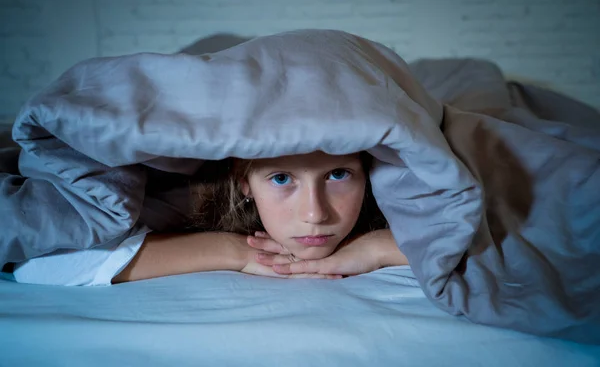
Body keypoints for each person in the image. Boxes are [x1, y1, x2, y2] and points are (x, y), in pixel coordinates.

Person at [12, 151, 408, 286]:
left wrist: (377, 246)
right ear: (244, 180)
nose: (315, 214)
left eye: (338, 175)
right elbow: (41, 265)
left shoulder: (395, 190)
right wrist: (237, 252)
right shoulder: (183, 192)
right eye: (282, 178)